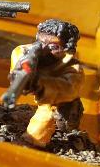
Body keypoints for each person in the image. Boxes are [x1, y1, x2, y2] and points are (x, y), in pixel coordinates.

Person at [6, 19, 83, 147]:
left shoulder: (72, 68)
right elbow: (18, 74)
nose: (43, 49)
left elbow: (66, 90)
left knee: (49, 113)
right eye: (40, 42)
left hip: (58, 98)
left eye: (53, 47)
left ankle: (32, 142)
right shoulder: (23, 51)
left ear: (67, 51)